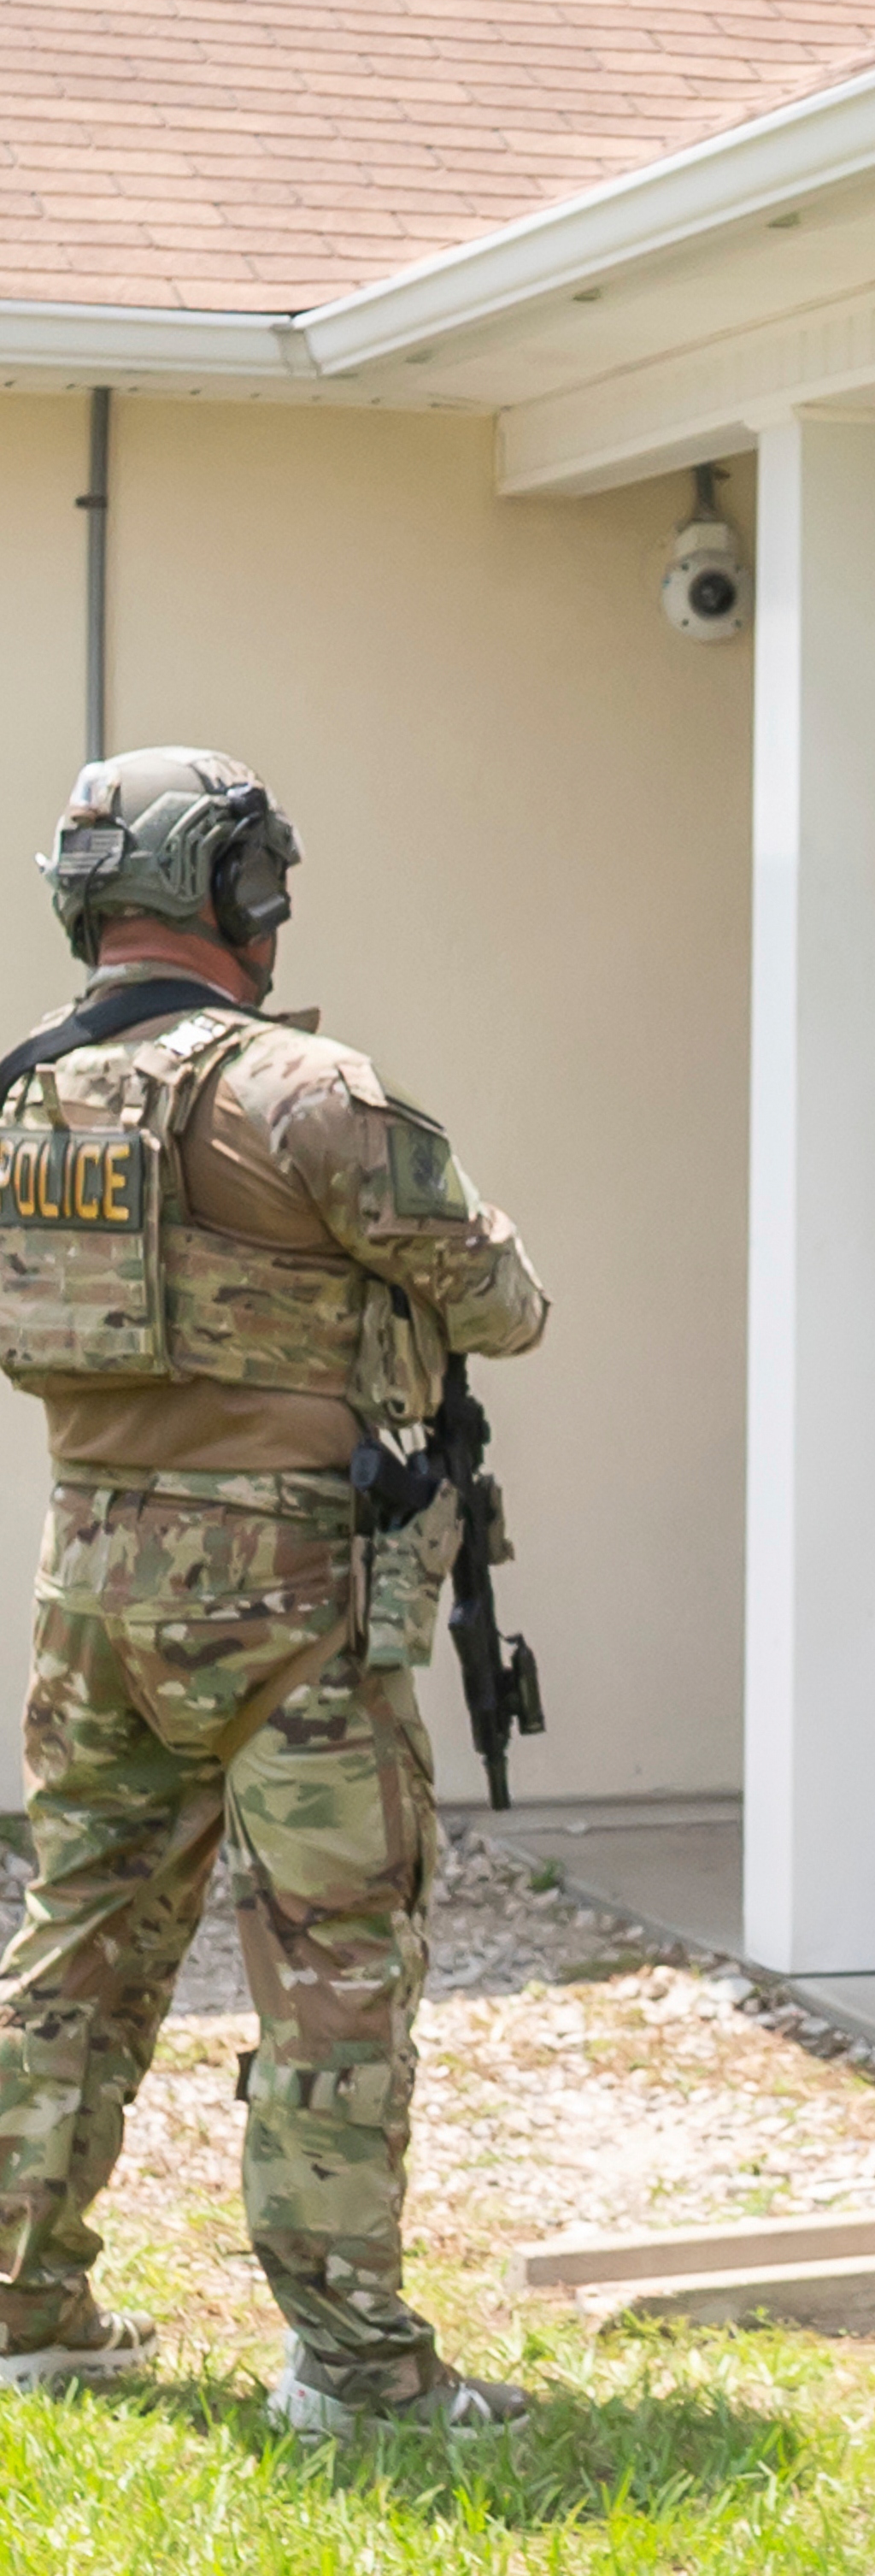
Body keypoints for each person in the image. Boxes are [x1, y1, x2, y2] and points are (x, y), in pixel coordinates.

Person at [0, 750, 547, 2432]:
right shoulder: (302, 1090)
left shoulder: (20, 1102)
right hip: (293, 1585)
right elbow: (506, 1299)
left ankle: (23, 2306)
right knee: (331, 1967)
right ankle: (357, 2368)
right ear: (229, 890)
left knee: (76, 1937)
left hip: (93, 1567)